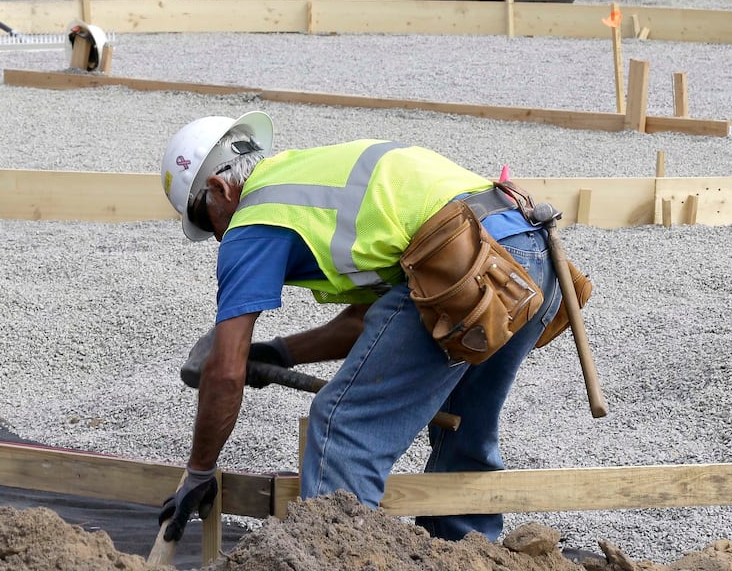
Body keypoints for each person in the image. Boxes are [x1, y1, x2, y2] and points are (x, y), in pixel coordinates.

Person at [155, 111, 568, 548]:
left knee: (342, 427)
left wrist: (199, 472)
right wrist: (278, 352)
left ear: (218, 189)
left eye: (205, 221)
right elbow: (365, 323)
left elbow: (225, 372)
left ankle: (339, 557)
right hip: (531, 259)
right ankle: (464, 553)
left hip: (469, 270)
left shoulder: (253, 218)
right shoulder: (311, 180)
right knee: (463, 427)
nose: (217, 237)